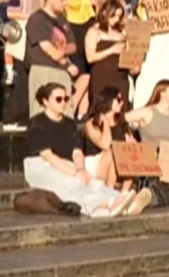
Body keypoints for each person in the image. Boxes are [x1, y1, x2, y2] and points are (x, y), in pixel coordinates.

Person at [25, 83, 150, 217]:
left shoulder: (69, 124)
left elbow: (77, 152)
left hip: (66, 163)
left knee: (92, 182)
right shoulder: (37, 123)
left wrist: (81, 170)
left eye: (66, 99)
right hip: (40, 165)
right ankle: (103, 204)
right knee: (73, 183)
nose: (63, 103)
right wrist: (74, 172)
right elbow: (47, 156)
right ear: (45, 101)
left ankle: (120, 199)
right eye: (58, 99)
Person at [84, 0, 132, 111]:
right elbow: (90, 57)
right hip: (102, 78)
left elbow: (128, 57)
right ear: (105, 13)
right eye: (113, 15)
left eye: (119, 16)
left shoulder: (122, 34)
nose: (116, 19)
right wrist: (112, 50)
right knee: (101, 110)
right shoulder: (94, 32)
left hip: (120, 78)